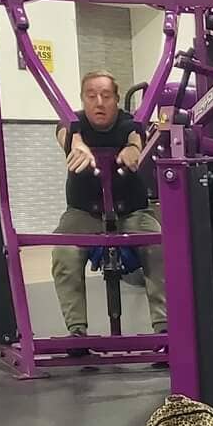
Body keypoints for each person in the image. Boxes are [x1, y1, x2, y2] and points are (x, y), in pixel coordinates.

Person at [51, 70, 166, 340]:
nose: (99, 102)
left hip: (133, 211)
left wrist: (134, 150)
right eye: (91, 96)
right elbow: (67, 133)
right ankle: (77, 332)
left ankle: (164, 329)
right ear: (83, 100)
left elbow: (136, 137)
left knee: (159, 249)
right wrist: (76, 145)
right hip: (83, 212)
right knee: (63, 254)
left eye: (105, 96)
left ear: (116, 99)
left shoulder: (130, 123)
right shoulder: (74, 122)